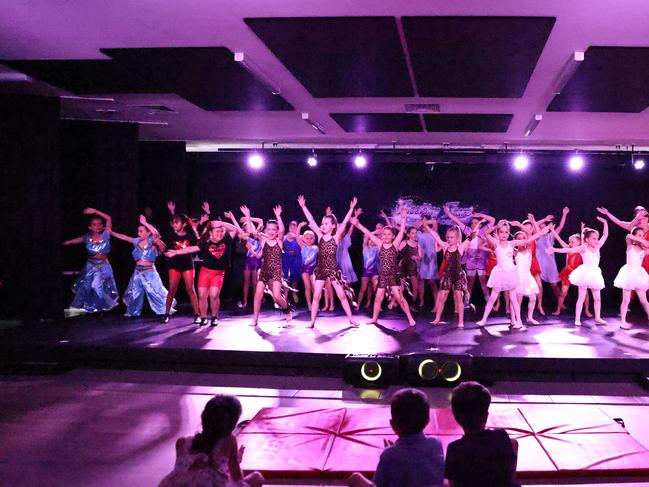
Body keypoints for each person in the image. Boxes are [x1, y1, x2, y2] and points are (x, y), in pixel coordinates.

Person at [158, 395, 264, 487]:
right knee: (257, 477)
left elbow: (188, 471)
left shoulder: (181, 443)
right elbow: (237, 479)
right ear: (231, 425)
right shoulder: (229, 441)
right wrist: (236, 461)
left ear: (204, 418)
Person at [348, 388, 444, 487]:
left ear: (393, 425)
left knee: (355, 478)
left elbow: (377, 485)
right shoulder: (436, 444)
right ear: (428, 421)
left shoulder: (389, 455)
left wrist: (392, 452)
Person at [165, 217, 241, 326]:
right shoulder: (205, 243)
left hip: (218, 274)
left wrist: (221, 223)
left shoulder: (226, 240)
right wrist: (176, 253)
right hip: (205, 273)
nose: (219, 233)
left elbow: (235, 230)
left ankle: (214, 317)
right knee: (202, 296)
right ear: (210, 233)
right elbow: (191, 249)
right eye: (217, 231)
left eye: (221, 231)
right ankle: (203, 317)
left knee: (214, 295)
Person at [298, 195, 359, 328]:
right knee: (316, 296)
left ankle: (351, 320)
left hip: (333, 270)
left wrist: (351, 209)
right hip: (320, 270)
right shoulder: (319, 236)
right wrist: (303, 207)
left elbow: (345, 222)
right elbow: (311, 220)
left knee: (342, 295)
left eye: (326, 223)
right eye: (322, 223)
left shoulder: (336, 237)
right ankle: (312, 321)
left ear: (333, 226)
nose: (322, 225)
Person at [477, 220, 549, 330]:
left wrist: (541, 232)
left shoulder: (512, 244)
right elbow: (486, 233)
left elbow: (529, 239)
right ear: (498, 232)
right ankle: (483, 320)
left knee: (513, 299)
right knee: (492, 298)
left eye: (506, 232)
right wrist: (497, 225)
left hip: (511, 273)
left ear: (509, 233)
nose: (504, 234)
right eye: (501, 232)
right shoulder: (496, 244)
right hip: (500, 273)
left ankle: (519, 321)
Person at [351, 207, 417, 327]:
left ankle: (410, 317)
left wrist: (403, 218)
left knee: (400, 298)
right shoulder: (380, 245)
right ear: (381, 236)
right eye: (384, 234)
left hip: (393, 276)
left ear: (392, 236)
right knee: (378, 298)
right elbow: (367, 233)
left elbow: (402, 231)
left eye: (388, 235)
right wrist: (358, 224)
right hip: (383, 276)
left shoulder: (395, 244)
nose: (386, 236)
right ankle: (375, 318)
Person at [445, 382, 518, 487]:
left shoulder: (454, 449)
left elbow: (454, 484)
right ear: (486, 416)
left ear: (456, 418)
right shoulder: (501, 436)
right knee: (513, 444)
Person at [547, 217, 609, 327]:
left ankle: (598, 317)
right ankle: (577, 319)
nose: (597, 240)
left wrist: (605, 223)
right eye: (594, 238)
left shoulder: (598, 246)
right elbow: (568, 249)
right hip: (584, 273)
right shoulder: (583, 248)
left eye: (597, 238)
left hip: (595, 273)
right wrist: (554, 249)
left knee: (597, 298)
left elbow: (605, 235)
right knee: (581, 297)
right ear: (587, 240)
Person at [111, 215, 173, 318]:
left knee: (155, 292)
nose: (138, 233)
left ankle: (163, 311)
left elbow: (156, 234)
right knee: (135, 293)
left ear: (148, 233)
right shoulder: (136, 241)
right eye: (138, 231)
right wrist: (111, 232)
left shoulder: (152, 242)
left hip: (150, 272)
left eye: (141, 231)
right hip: (137, 272)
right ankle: (134, 312)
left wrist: (145, 223)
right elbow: (124, 237)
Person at [244, 204, 294, 326]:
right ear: (266, 230)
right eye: (269, 229)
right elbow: (251, 233)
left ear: (276, 231)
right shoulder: (263, 240)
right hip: (265, 271)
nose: (271, 231)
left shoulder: (279, 241)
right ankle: (255, 319)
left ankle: (287, 310)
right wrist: (248, 216)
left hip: (276, 271)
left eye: (273, 229)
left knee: (277, 296)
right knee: (258, 294)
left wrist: (278, 216)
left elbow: (282, 230)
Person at [63, 208, 119, 313]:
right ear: (90, 227)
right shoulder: (87, 237)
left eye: (99, 224)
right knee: (84, 287)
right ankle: (75, 311)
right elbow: (74, 241)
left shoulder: (106, 234)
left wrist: (95, 211)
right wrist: (64, 242)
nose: (98, 226)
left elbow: (109, 218)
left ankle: (101, 308)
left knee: (96, 285)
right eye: (94, 224)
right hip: (90, 265)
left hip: (103, 265)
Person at [424, 223, 471, 327]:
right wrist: (427, 228)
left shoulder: (460, 248)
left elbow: (471, 236)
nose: (449, 239)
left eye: (452, 237)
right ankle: (437, 319)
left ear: (457, 238)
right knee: (442, 297)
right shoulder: (445, 246)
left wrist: (476, 227)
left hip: (458, 275)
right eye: (448, 237)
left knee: (459, 297)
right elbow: (436, 236)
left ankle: (461, 321)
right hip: (447, 276)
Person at [160, 210, 200, 324]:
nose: (174, 224)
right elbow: (163, 246)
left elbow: (199, 244)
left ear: (184, 224)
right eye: (173, 222)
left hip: (187, 264)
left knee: (190, 289)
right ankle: (166, 314)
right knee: (172, 289)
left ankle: (197, 314)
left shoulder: (190, 236)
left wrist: (195, 228)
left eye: (176, 222)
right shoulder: (171, 236)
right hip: (174, 265)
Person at [550, 227, 592, 317]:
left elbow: (584, 240)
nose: (570, 243)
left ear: (579, 242)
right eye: (570, 242)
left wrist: (582, 229)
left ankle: (587, 310)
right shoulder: (568, 248)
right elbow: (558, 238)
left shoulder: (582, 249)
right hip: (568, 272)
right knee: (563, 292)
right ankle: (558, 309)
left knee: (585, 293)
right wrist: (552, 230)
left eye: (573, 242)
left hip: (579, 273)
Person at [613, 227, 649, 329]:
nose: (642, 237)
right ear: (635, 237)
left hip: (639, 275)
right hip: (628, 275)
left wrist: (645, 244)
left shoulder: (644, 249)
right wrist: (642, 240)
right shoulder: (630, 246)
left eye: (643, 235)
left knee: (644, 301)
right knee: (625, 300)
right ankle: (623, 321)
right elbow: (628, 236)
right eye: (639, 235)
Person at [297, 229, 318, 311]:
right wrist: (300, 226)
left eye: (311, 238)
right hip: (304, 270)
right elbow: (297, 236)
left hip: (313, 270)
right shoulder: (303, 246)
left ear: (314, 239)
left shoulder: (316, 247)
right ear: (304, 239)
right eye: (307, 238)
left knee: (315, 287)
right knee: (307, 287)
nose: (309, 240)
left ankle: (315, 304)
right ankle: (309, 305)